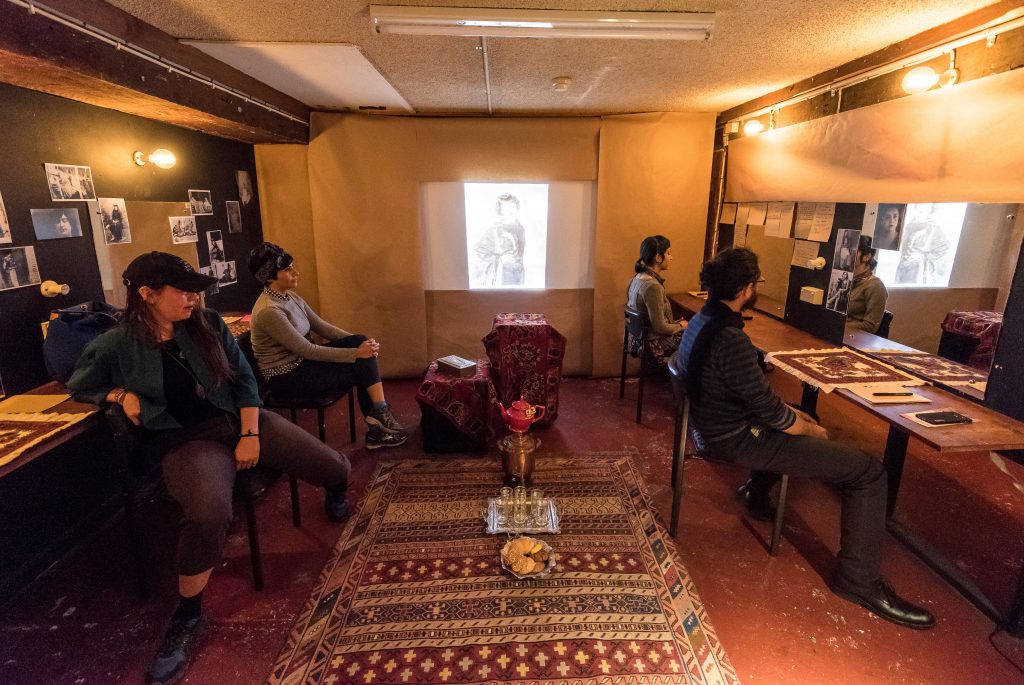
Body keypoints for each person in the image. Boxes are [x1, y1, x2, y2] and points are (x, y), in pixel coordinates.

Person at [66, 252, 353, 685]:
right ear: (147, 294)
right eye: (183, 292)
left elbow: (245, 380)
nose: (193, 299)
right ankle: (188, 616)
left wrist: (250, 434)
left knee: (331, 465)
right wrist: (119, 394)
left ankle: (336, 487)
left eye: (195, 292)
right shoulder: (117, 343)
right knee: (208, 514)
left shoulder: (208, 324)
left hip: (240, 420)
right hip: (187, 440)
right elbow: (79, 383)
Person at [670, 247, 934, 630]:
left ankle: (754, 491)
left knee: (801, 413)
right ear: (745, 290)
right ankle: (858, 582)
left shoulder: (702, 319)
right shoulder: (731, 339)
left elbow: (763, 404)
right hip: (731, 437)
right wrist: (810, 428)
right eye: (755, 283)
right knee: (868, 473)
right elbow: (774, 415)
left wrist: (799, 418)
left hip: (712, 423)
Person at [247, 242, 409, 449]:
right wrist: (356, 353)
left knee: (361, 344)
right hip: (285, 377)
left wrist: (363, 344)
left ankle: (379, 417)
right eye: (288, 270)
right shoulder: (269, 311)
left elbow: (323, 328)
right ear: (270, 277)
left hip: (302, 364)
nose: (296, 273)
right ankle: (379, 422)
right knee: (361, 365)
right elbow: (306, 350)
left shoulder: (290, 297)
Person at [626, 235, 687, 364]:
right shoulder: (652, 286)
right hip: (653, 346)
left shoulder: (636, 278)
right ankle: (679, 375)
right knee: (696, 338)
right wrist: (680, 326)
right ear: (658, 258)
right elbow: (660, 327)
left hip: (637, 340)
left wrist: (675, 324)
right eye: (668, 253)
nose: (671, 257)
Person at [474, 193, 526, 286]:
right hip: (501, 275)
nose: (510, 210)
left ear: (516, 207)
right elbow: (479, 249)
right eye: (506, 207)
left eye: (512, 206)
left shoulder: (521, 228)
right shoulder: (496, 229)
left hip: (518, 274)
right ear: (501, 211)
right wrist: (499, 258)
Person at [895, 206, 950, 284]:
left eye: (922, 211)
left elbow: (945, 246)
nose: (919, 213)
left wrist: (923, 256)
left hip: (920, 270)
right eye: (918, 210)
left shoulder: (932, 228)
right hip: (904, 266)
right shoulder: (909, 225)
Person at [846, 236, 889, 333]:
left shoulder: (875, 286)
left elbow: (870, 326)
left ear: (867, 257)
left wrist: (837, 324)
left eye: (852, 250)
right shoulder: (846, 278)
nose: (847, 254)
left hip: (853, 337)